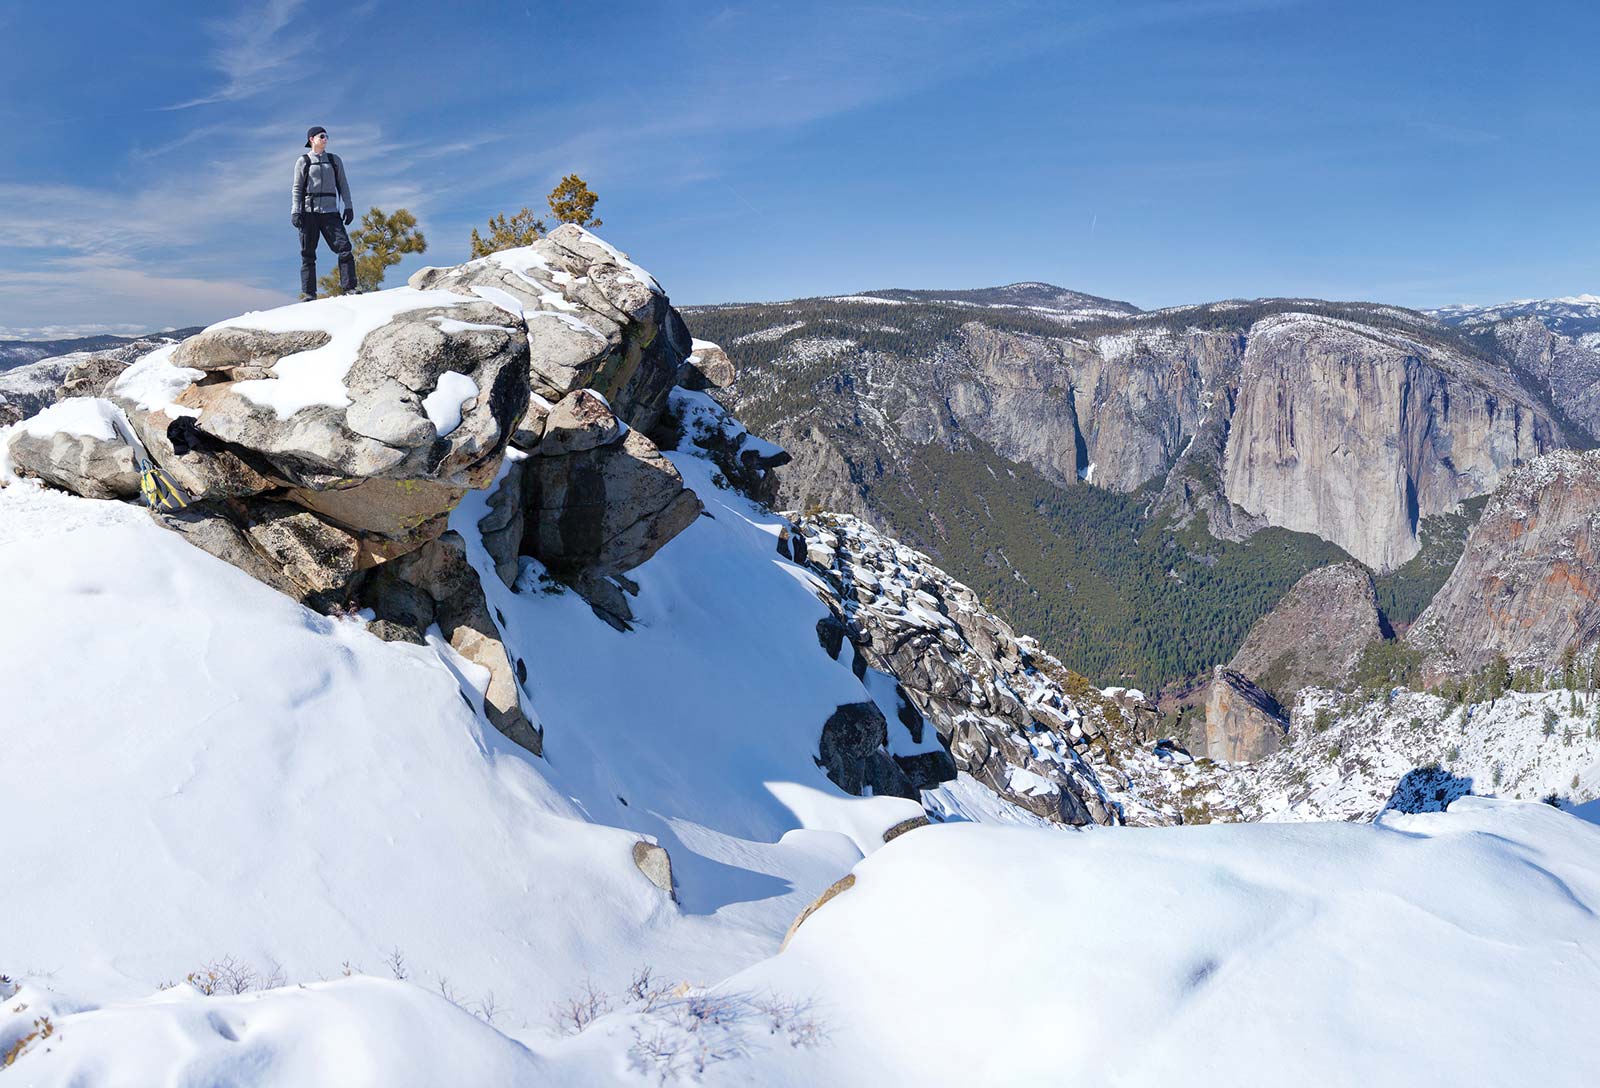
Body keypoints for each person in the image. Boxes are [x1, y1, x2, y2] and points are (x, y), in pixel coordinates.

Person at [290, 126, 357, 300]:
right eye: (322, 136)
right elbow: (297, 188)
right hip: (308, 213)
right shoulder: (303, 161)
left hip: (330, 213)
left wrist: (348, 206)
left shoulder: (335, 160)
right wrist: (295, 211)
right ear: (312, 139)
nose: (325, 139)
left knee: (344, 248)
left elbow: (343, 185)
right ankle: (310, 293)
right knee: (308, 253)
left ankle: (349, 287)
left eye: (327, 136)